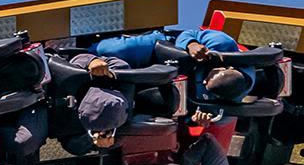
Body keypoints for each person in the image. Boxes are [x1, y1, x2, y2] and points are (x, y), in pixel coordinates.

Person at [90, 27, 256, 104]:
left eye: (207, 85)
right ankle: (79, 54)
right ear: (228, 67)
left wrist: (196, 120)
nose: (204, 82)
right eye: (208, 77)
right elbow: (188, 33)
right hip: (161, 51)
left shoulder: (229, 99)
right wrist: (191, 45)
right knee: (113, 50)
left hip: (169, 84)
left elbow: (200, 113)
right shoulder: (222, 44)